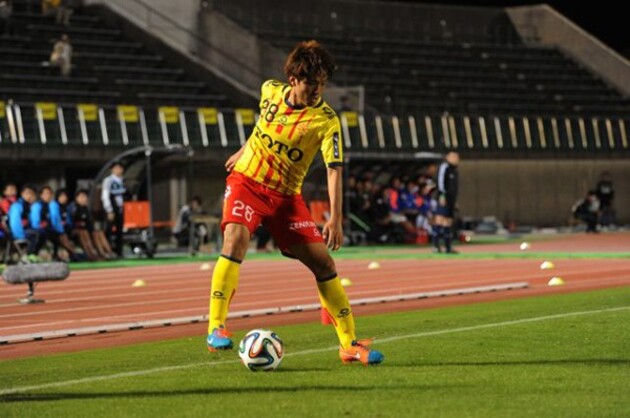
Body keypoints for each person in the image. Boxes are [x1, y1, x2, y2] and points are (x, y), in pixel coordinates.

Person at [206, 40, 383, 365]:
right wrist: (245, 150)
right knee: (235, 238)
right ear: (293, 80)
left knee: (324, 265)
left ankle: (348, 344)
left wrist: (335, 218)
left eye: (322, 83)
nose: (317, 90)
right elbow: (262, 125)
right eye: (311, 82)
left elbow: (334, 170)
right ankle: (216, 327)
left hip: (287, 197)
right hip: (247, 182)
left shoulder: (326, 121)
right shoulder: (269, 91)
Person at [30, 186, 78, 261]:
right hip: (39, 230)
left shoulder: (52, 206)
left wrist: (60, 230)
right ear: (41, 195)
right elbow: (35, 223)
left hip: (49, 229)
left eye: (49, 194)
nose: (48, 196)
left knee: (59, 235)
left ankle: (58, 255)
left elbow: (55, 221)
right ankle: (33, 254)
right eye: (46, 194)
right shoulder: (37, 206)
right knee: (47, 234)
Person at [68, 189, 115, 260]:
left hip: (85, 229)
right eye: (81, 197)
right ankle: (90, 254)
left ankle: (107, 253)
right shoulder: (73, 207)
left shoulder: (86, 209)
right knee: (83, 232)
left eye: (85, 197)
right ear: (77, 198)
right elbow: (72, 221)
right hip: (75, 230)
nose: (84, 199)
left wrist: (92, 229)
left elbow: (89, 222)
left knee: (98, 232)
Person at [433, 151, 459, 254]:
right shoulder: (444, 167)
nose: (456, 159)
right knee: (439, 219)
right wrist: (442, 196)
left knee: (448, 222)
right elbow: (440, 183)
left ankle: (448, 247)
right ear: (448, 157)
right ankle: (436, 246)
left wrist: (454, 201)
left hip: (451, 200)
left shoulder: (454, 171)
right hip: (443, 199)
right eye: (454, 156)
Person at [101, 161, 126, 257]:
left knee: (120, 230)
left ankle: (119, 251)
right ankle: (107, 251)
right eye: (116, 168)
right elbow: (105, 196)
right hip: (112, 208)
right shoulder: (109, 180)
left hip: (120, 208)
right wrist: (109, 210)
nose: (118, 170)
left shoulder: (122, 180)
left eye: (120, 168)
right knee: (109, 230)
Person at [8, 184, 40, 255]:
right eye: (27, 193)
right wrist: (20, 236)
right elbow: (15, 223)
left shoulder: (30, 206)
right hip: (17, 234)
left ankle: (31, 254)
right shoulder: (17, 206)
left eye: (32, 194)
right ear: (22, 194)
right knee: (37, 233)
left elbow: (34, 222)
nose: (29, 196)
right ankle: (30, 255)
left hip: (26, 231)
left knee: (42, 231)